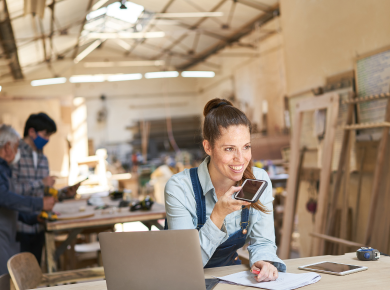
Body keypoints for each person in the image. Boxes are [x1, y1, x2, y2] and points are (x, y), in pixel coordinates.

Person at [164, 98, 286, 282]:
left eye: (246, 147)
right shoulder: (180, 188)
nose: (240, 159)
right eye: (229, 149)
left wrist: (264, 261)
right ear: (208, 147)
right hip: (184, 281)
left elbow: (263, 241)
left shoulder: (258, 180)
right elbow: (185, 264)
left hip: (229, 276)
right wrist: (218, 215)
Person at [10, 113, 78, 264]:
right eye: (45, 134)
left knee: (34, 274)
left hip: (40, 225)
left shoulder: (43, 158)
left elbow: (44, 193)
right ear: (32, 132)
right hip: (20, 227)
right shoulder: (14, 154)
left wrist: (64, 194)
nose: (47, 139)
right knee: (19, 278)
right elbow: (11, 193)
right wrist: (41, 183)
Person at [0, 124, 55, 275]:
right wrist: (39, 203)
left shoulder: (5, 169)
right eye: (16, 147)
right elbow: (5, 197)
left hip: (7, 236)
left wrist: (33, 218)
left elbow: (9, 207)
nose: (17, 152)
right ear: (7, 148)